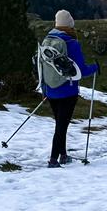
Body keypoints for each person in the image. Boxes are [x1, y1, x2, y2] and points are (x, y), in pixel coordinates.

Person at [38, 9, 97, 167]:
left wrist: (44, 89)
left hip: (50, 89)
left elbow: (42, 66)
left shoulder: (47, 40)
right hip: (67, 90)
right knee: (61, 126)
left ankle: (63, 155)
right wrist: (95, 68)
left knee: (59, 123)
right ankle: (53, 159)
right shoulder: (72, 43)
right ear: (70, 24)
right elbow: (82, 70)